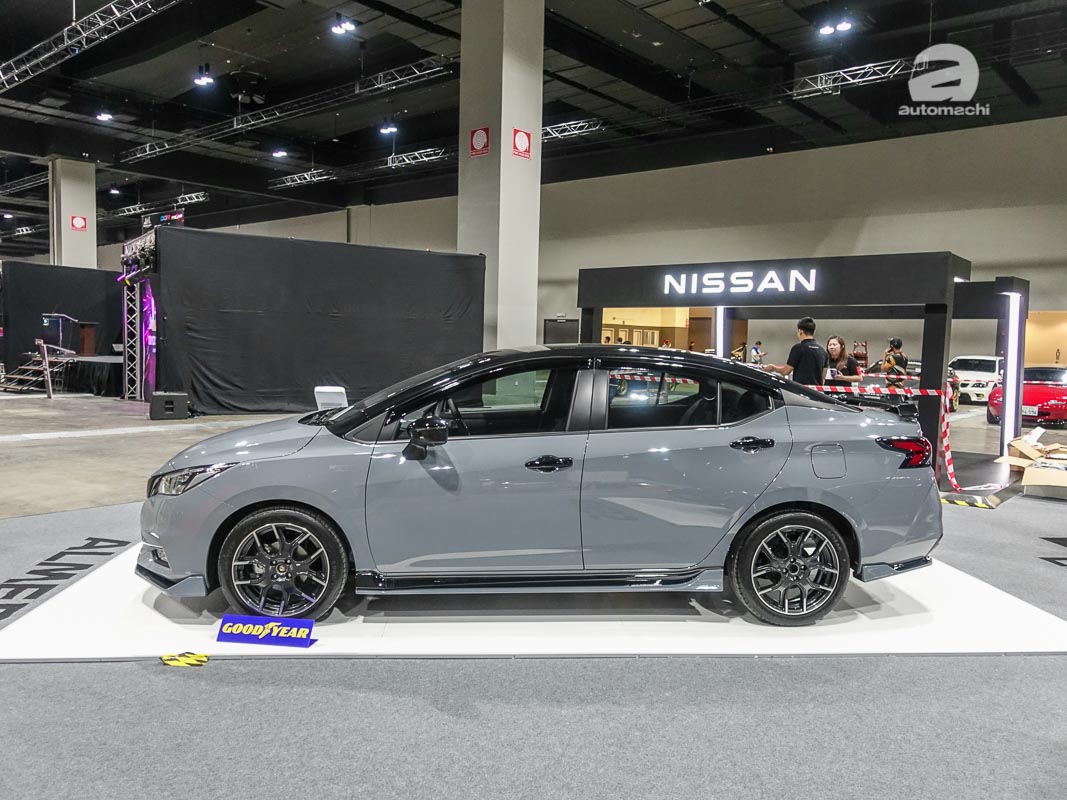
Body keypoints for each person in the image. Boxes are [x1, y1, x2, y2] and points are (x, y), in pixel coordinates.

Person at [761, 317, 827, 385]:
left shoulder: (798, 348)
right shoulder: (823, 352)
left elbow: (786, 371)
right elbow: (823, 379)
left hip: (801, 390)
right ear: (814, 332)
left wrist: (773, 368)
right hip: (817, 390)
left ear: (800, 331)